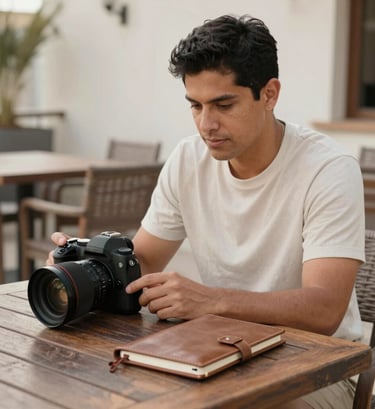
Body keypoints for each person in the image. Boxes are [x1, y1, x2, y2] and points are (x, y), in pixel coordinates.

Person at [49, 15, 365, 409]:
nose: (206, 124)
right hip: (215, 350)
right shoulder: (188, 159)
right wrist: (81, 268)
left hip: (319, 364)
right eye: (195, 106)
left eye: (223, 104)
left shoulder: (327, 168)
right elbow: (143, 261)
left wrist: (211, 301)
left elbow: (324, 309)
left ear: (269, 94)